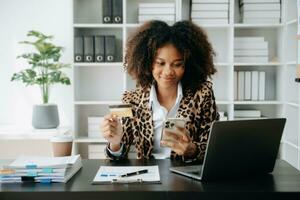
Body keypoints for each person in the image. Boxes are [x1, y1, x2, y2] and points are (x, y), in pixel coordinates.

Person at [101, 20, 219, 163]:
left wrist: (191, 149)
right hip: (148, 178)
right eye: (160, 63)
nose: (168, 71)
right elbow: (118, 156)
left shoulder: (202, 93)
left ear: (187, 65)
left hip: (186, 177)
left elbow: (213, 149)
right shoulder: (132, 99)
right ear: (147, 62)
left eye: (177, 64)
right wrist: (115, 142)